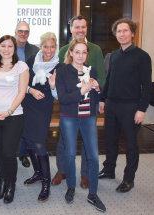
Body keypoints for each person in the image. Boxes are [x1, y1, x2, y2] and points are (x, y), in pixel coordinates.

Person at [98, 18, 152, 193]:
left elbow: (147, 85)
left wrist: (142, 109)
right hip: (112, 105)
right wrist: (102, 99)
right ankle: (109, 170)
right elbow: (109, 80)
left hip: (131, 107)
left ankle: (129, 179)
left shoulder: (143, 56)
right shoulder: (113, 56)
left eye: (125, 31)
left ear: (133, 33)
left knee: (130, 145)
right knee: (111, 141)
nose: (121, 34)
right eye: (119, 31)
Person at [53, 15, 106, 188]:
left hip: (90, 102)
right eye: (77, 27)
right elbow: (61, 77)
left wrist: (100, 97)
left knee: (88, 142)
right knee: (64, 141)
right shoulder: (63, 51)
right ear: (71, 29)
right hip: (69, 105)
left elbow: (101, 75)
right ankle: (63, 170)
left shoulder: (96, 49)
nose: (80, 30)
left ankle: (84, 174)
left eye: (83, 27)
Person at [0, 35, 29, 204]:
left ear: (14, 48)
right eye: (3, 46)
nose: (6, 49)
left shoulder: (21, 67)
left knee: (9, 153)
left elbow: (21, 92)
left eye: (10, 46)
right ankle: (2, 183)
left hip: (14, 116)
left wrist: (9, 111)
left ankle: (11, 185)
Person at [21, 32, 61, 202]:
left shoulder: (60, 66)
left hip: (43, 108)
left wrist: (52, 87)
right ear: (41, 46)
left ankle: (46, 182)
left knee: (39, 143)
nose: (49, 50)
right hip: (28, 104)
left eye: (52, 46)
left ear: (56, 47)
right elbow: (23, 82)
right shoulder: (31, 60)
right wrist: (31, 90)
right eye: (46, 46)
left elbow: (58, 94)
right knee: (28, 140)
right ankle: (37, 173)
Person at [15, 21, 39, 168]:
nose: (23, 34)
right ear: (15, 32)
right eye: (20, 31)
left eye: (26, 31)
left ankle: (23, 154)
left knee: (26, 124)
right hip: (10, 92)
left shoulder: (35, 50)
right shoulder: (7, 47)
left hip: (29, 92)